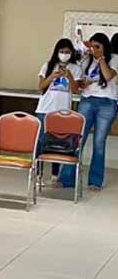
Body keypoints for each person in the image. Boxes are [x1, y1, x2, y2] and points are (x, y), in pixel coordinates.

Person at [59, 32, 117, 190]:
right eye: (92, 47)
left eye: (97, 47)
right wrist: (84, 83)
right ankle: (66, 179)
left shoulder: (115, 58)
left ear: (105, 47)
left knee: (99, 142)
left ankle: (95, 181)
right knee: (78, 139)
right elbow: (80, 84)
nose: (94, 49)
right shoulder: (86, 61)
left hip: (107, 103)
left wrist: (101, 59)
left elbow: (109, 75)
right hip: (87, 101)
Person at [36, 39, 81, 183]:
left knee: (59, 143)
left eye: (67, 52)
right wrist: (52, 76)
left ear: (72, 53)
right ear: (56, 52)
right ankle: (38, 173)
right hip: (45, 109)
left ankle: (55, 175)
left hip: (63, 112)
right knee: (41, 142)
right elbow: (41, 86)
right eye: (62, 51)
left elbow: (75, 90)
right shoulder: (48, 65)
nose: (64, 54)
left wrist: (69, 76)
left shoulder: (76, 68)